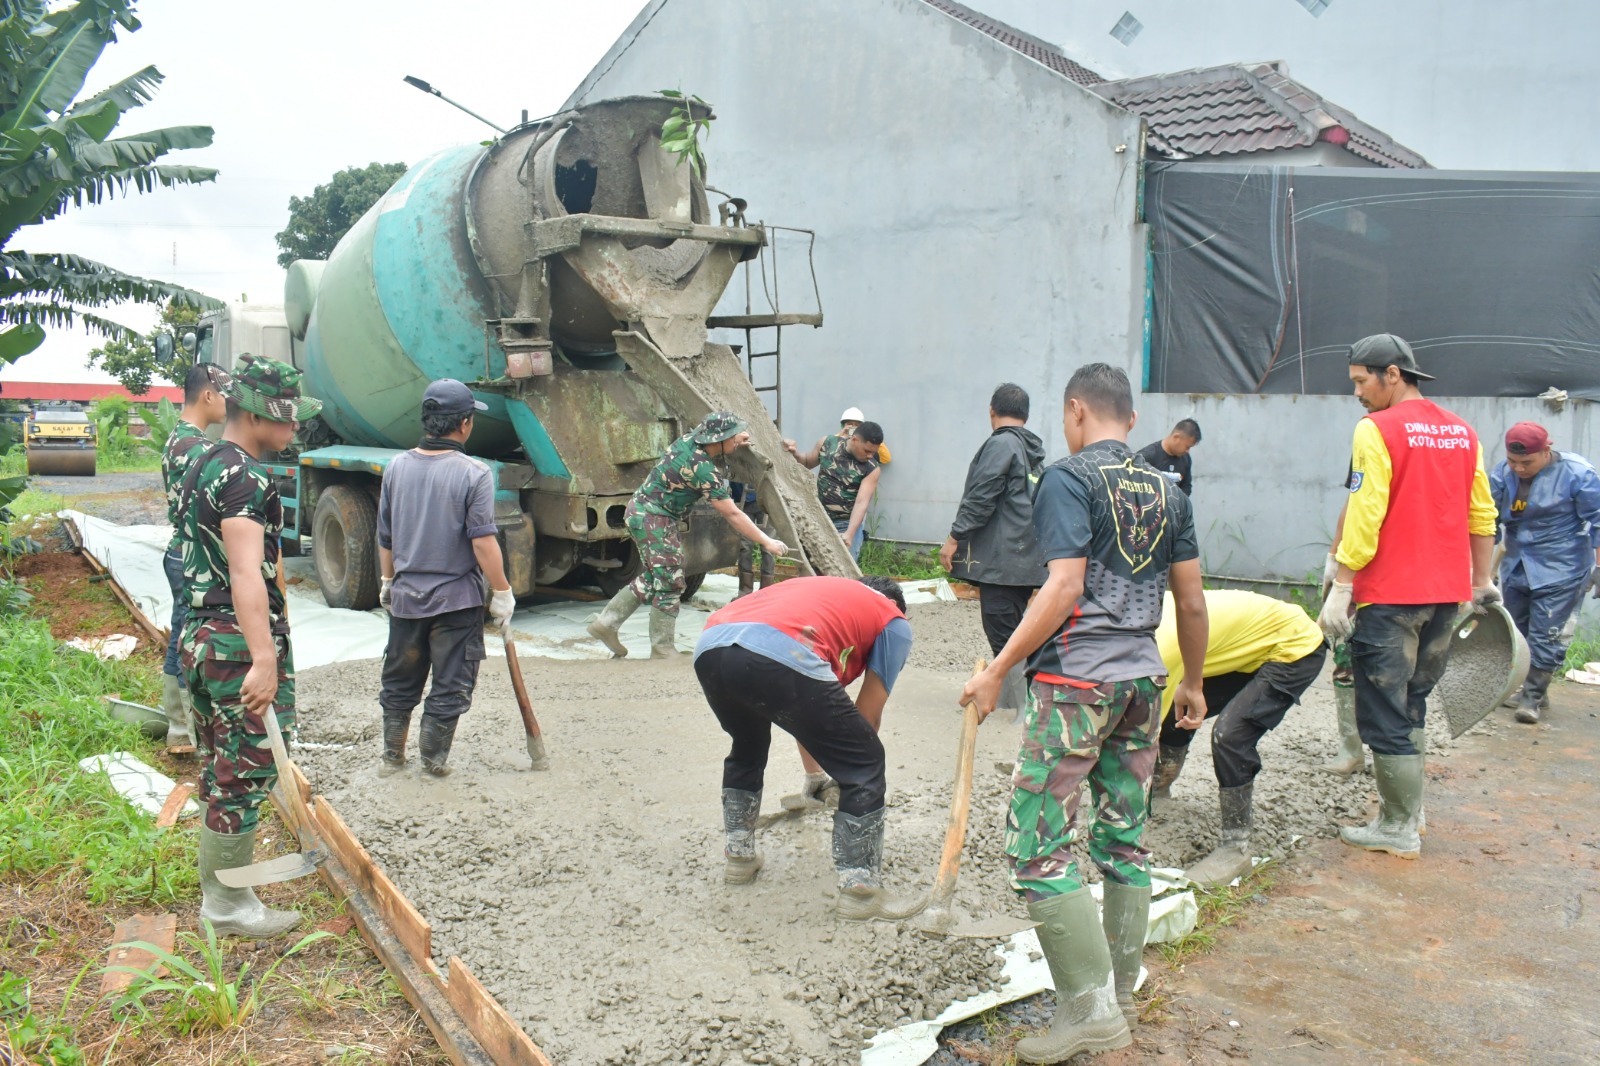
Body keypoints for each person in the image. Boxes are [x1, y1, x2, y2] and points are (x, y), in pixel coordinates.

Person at [961, 363, 1209, 1063]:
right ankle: (1121, 992)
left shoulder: (1068, 479)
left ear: (1075, 412)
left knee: (1037, 846)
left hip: (1076, 684)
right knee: (1123, 838)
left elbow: (1064, 585)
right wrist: (1192, 680)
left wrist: (999, 670)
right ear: (1128, 420)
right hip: (1143, 682)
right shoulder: (1169, 488)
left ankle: (1090, 1013)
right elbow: (1191, 600)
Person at [1317, 334, 1497, 861]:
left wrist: (1343, 584)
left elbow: (1365, 511)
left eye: (1360, 381)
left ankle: (1397, 826)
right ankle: (1410, 812)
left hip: (1391, 598)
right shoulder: (1463, 432)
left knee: (1384, 711)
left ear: (1392, 373)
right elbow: (1481, 512)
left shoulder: (1376, 430)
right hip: (1446, 597)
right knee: (1413, 702)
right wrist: (1481, 581)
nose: (1357, 393)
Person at [178, 354, 320, 937]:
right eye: (288, 418)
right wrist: (264, 658)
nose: (294, 430)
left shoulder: (202, 461)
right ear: (261, 413)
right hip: (236, 645)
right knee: (244, 772)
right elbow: (244, 572)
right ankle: (228, 908)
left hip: (202, 636)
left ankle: (224, 897)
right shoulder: (245, 477)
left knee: (220, 767)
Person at [693, 575, 918, 921]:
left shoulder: (825, 602)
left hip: (712, 646)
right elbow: (866, 717)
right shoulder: (893, 620)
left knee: (748, 745)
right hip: (781, 649)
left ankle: (739, 858)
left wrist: (815, 776)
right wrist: (849, 774)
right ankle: (860, 893)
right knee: (865, 759)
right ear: (895, 605)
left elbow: (808, 714)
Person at [376, 380, 516, 777]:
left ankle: (392, 757)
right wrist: (503, 591)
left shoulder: (396, 467)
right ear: (465, 423)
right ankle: (433, 760)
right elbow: (483, 543)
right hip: (456, 603)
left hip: (406, 598)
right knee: (451, 682)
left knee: (400, 677)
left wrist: (388, 580)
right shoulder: (474, 473)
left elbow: (384, 536)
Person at [1148, 590, 1327, 886]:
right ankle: (1158, 791)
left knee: (1230, 735)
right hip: (1243, 650)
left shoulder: (1160, 648)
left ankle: (1236, 846)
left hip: (1294, 646)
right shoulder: (1139, 619)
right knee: (1172, 715)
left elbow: (1142, 735)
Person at [588, 412, 788, 658]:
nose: (738, 440)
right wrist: (766, 541)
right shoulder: (702, 469)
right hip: (652, 517)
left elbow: (718, 437)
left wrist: (737, 438)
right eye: (732, 437)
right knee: (670, 580)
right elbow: (734, 515)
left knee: (657, 575)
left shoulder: (690, 440)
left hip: (647, 512)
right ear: (718, 440)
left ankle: (606, 624)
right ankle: (662, 648)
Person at [939, 383, 1046, 716]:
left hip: (1003, 560)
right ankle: (1015, 697)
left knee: (1003, 632)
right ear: (1025, 415)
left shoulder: (1002, 445)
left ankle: (1026, 707)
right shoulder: (1032, 451)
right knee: (1015, 628)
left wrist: (955, 536)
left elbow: (982, 493)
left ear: (991, 411)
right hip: (1025, 557)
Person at [1489, 421, 1600, 723]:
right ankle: (1534, 686)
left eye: (1527, 462)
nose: (1519, 468)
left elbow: (1599, 521)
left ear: (1546, 451)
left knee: (1547, 633)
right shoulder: (1501, 474)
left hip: (1562, 565)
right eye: (1513, 461)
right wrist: (1483, 573)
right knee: (1517, 631)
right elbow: (1487, 522)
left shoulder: (1578, 473)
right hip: (1517, 563)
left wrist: (1599, 567)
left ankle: (1532, 697)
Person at [159, 362, 232, 754]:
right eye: (224, 395)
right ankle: (184, 728)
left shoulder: (179, 439)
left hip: (178, 551)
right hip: (191, 555)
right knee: (189, 637)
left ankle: (178, 724)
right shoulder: (198, 449)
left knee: (180, 630)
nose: (228, 405)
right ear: (208, 395)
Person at [784, 418, 884, 560]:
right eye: (867, 451)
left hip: (845, 525)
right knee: (813, 567)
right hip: (818, 519)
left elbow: (861, 503)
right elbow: (806, 462)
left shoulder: (872, 468)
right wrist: (793, 453)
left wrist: (849, 534)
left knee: (843, 572)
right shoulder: (828, 443)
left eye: (873, 452)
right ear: (854, 439)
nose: (870, 456)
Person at [729, 481, 776, 599]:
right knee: (745, 546)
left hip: (767, 501)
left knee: (768, 547)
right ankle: (745, 590)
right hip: (743, 499)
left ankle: (767, 591)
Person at [1136, 419, 1201, 496]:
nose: (1187, 451)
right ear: (1176, 437)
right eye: (1187, 447)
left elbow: (1186, 488)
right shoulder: (1145, 457)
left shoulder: (1186, 459)